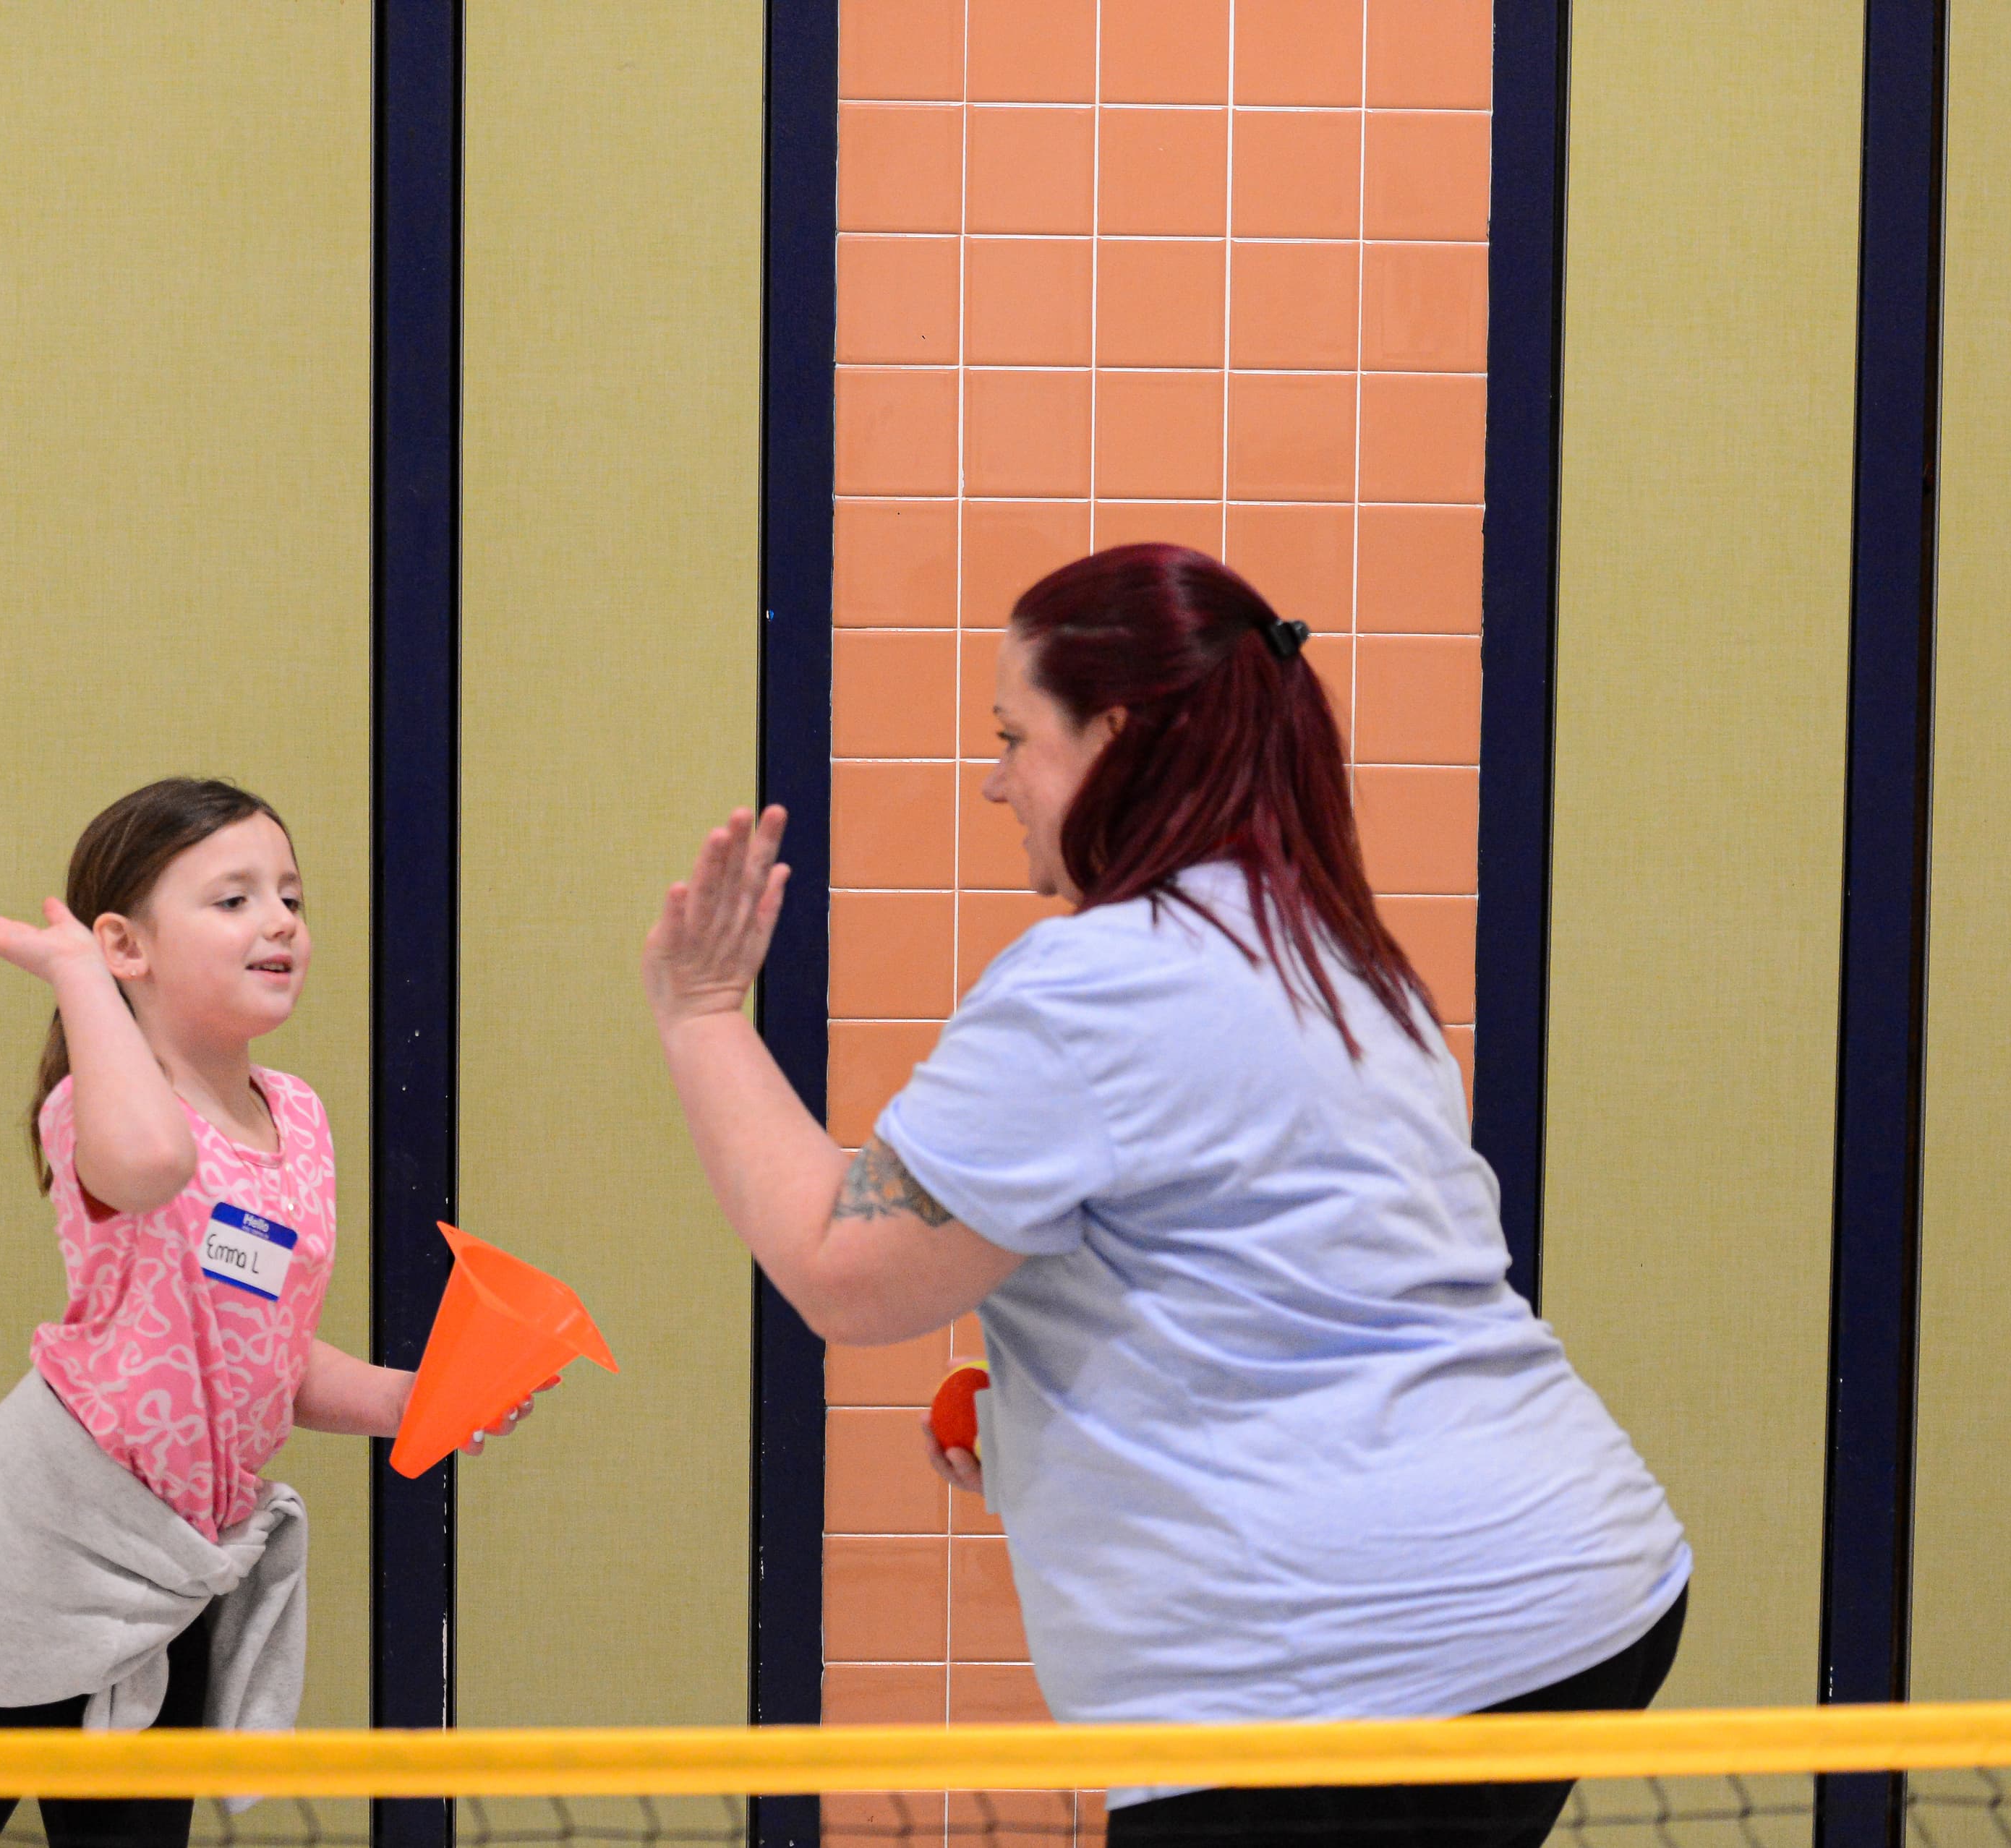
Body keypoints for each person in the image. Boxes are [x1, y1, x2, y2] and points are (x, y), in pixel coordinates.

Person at [644, 546, 1689, 1848]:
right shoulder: (1335, 955)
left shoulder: (1100, 986)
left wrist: (702, 1017)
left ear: (1115, 738)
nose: (994, 780)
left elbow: (843, 1273)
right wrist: (1054, 1432)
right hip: (1579, 1592)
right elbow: (1297, 1294)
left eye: (1015, 736)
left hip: (1354, 1676)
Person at [0, 777, 544, 1848]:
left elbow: (261, 1353)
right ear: (127, 946)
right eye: (234, 899)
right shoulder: (99, 1110)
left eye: (291, 897)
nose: (282, 923)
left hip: (175, 1571)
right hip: (35, 1556)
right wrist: (73, 977)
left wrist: (417, 1399)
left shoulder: (296, 1115)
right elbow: (156, 1162)